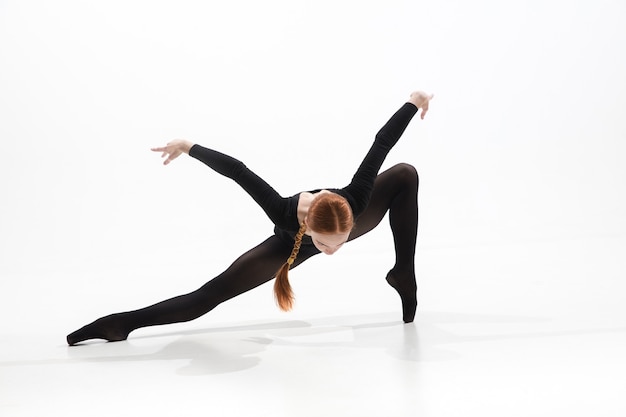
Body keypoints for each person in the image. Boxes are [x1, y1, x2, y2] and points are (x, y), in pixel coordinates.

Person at [66, 91, 434, 346]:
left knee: (404, 173)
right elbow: (239, 171)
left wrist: (412, 102)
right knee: (205, 298)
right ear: (310, 230)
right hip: (287, 245)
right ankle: (119, 324)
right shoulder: (282, 212)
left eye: (339, 243)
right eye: (324, 245)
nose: (331, 252)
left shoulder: (357, 199)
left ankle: (403, 271)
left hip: (345, 218)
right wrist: (190, 147)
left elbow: (381, 142)